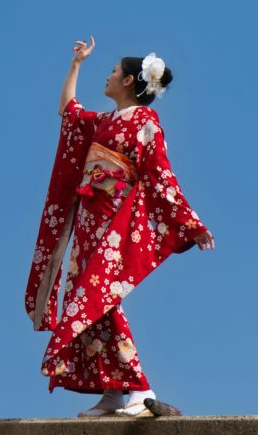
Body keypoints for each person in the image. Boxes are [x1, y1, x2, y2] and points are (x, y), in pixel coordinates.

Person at [25, 37, 214, 418]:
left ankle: (141, 388)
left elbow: (160, 173)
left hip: (115, 221)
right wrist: (75, 64)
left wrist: (189, 222)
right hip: (88, 223)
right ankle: (112, 392)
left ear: (129, 81)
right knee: (87, 299)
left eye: (112, 71)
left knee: (100, 298)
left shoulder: (145, 122)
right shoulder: (104, 122)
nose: (107, 77)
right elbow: (68, 112)